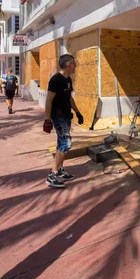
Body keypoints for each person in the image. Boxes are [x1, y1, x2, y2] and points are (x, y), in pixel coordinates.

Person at [43, 54, 84, 188]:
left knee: (61, 143)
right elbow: (49, 100)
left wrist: (78, 112)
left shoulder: (68, 79)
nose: (75, 65)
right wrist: (47, 120)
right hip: (58, 116)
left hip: (67, 116)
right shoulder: (56, 80)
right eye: (73, 63)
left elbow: (69, 98)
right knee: (66, 144)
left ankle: (60, 170)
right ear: (68, 65)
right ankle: (52, 175)